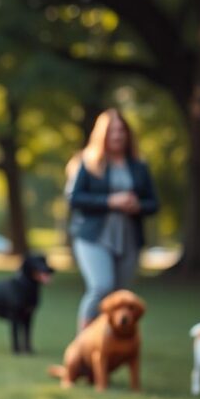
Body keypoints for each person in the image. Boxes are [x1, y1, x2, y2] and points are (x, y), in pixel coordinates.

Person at [67, 108, 158, 332]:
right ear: (102, 134)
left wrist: (137, 206)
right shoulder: (89, 163)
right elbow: (74, 198)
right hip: (94, 236)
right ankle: (83, 344)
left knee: (119, 296)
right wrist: (110, 201)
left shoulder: (139, 166)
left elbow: (153, 203)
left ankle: (108, 346)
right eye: (112, 131)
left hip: (128, 237)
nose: (117, 135)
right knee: (101, 286)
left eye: (121, 131)